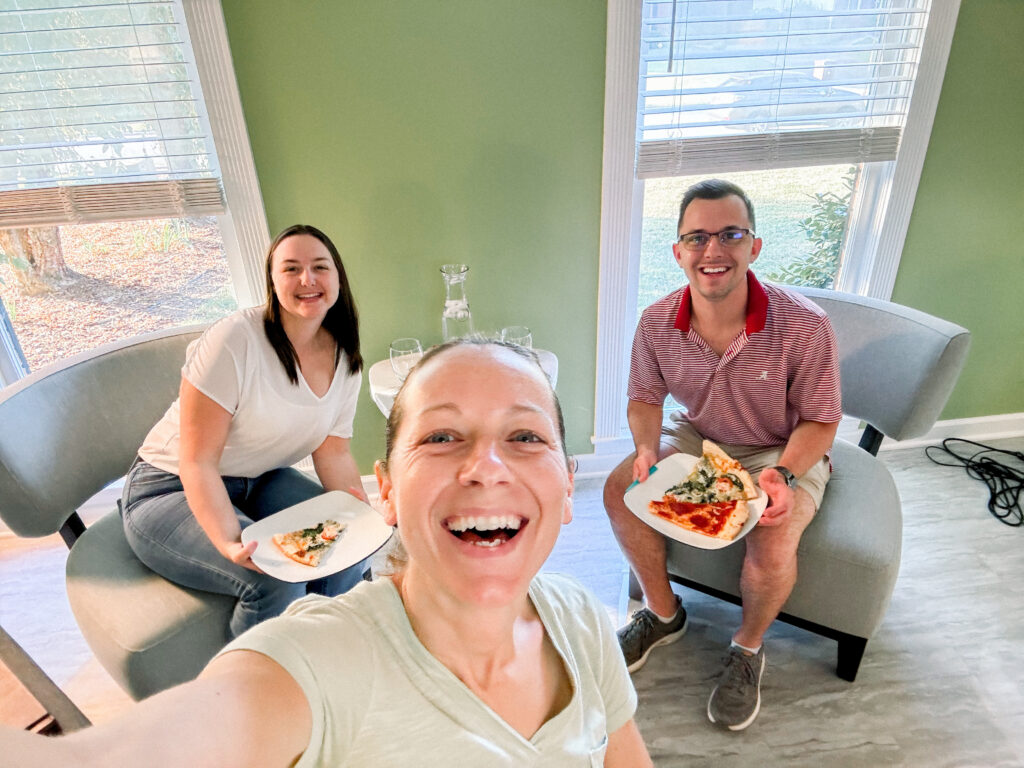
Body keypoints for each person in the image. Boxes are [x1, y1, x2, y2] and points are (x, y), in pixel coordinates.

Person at [1, 340, 653, 767]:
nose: (486, 465)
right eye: (443, 435)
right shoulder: (322, 659)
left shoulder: (583, 620)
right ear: (387, 492)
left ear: (568, 486)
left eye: (524, 435)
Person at [604, 179, 842, 731]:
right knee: (621, 489)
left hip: (782, 449)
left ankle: (748, 648)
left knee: (773, 534)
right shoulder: (656, 321)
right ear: (679, 252)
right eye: (697, 237)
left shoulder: (805, 324)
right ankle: (663, 614)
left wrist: (783, 473)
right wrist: (645, 448)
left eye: (730, 234)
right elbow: (644, 398)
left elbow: (822, 420)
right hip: (699, 435)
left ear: (753, 246)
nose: (713, 251)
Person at [120, 224, 368, 638]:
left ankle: (322, 654)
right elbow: (197, 462)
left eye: (319, 267)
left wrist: (359, 514)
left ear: (338, 278)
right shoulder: (236, 339)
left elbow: (334, 453)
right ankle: (250, 692)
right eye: (291, 269)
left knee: (348, 546)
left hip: (260, 479)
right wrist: (228, 541)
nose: (307, 279)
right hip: (169, 487)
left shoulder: (343, 356)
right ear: (272, 282)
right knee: (274, 577)